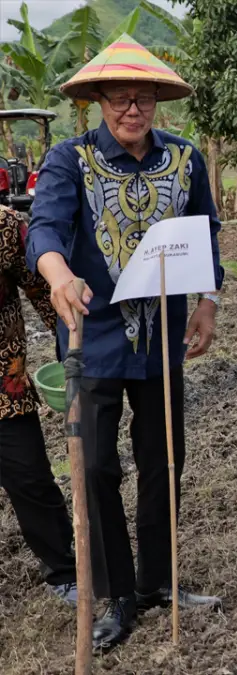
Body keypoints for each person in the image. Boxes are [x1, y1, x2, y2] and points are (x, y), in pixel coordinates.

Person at [27, 35, 223, 651]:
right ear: (100, 102)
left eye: (142, 98)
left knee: (165, 458)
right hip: (94, 338)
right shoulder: (69, 158)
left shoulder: (185, 159)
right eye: (119, 98)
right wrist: (58, 274)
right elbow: (45, 228)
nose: (131, 109)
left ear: (158, 102)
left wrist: (208, 305)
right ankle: (116, 594)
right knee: (95, 466)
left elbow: (207, 236)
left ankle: (158, 580)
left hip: (160, 338)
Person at [0, 205, 77, 606]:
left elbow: (47, 296)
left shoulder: (6, 226)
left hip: (3, 391)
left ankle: (64, 571)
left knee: (30, 479)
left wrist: (78, 354)